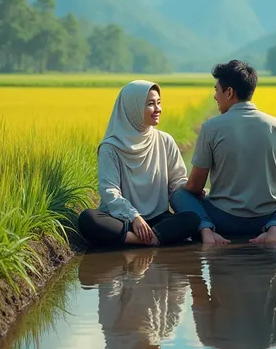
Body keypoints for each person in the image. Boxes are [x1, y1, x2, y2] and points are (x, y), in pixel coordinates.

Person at [171, 60, 276, 245]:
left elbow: (194, 187)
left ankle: (207, 230)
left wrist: (204, 192)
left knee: (179, 194)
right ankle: (275, 230)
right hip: (265, 218)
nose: (215, 96)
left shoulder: (210, 128)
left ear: (229, 92)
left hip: (224, 221)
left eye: (217, 90)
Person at [78, 80, 200, 248]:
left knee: (192, 218)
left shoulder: (165, 140)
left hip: (157, 218)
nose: (158, 109)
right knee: (88, 219)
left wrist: (194, 187)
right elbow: (109, 192)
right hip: (123, 220)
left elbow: (177, 182)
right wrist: (134, 217)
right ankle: (151, 239)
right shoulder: (111, 147)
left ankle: (143, 239)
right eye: (150, 104)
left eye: (159, 103)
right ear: (132, 108)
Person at [78, 248, 189, 349]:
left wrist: (135, 272)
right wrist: (165, 257)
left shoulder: (114, 326)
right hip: (164, 245)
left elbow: (109, 282)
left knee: (94, 225)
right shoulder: (168, 327)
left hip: (128, 247)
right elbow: (180, 283)